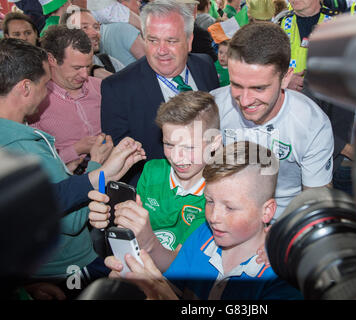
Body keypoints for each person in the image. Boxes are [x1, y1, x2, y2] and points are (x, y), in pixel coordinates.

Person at [0, 38, 146, 299]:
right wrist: (98, 162)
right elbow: (72, 220)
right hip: (70, 268)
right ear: (24, 87)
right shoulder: (25, 148)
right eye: (45, 85)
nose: (47, 93)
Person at [105, 141, 303, 300]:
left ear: (267, 211)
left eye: (230, 207)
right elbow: (175, 287)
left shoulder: (282, 279)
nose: (213, 217)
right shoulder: (203, 234)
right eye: (209, 201)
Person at [211, 22, 334, 220]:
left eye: (258, 88)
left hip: (284, 221)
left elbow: (317, 203)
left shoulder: (312, 124)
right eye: (236, 85)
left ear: (286, 78)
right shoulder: (213, 107)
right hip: (225, 216)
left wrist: (280, 237)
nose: (245, 100)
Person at [89, 91, 222, 272]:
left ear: (214, 143)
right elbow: (127, 238)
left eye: (189, 147)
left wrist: (148, 240)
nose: (176, 157)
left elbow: (180, 269)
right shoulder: (153, 170)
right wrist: (111, 218)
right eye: (169, 144)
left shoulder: (217, 196)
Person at [101, 0, 219, 186]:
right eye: (153, 40)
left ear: (189, 42)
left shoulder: (205, 66)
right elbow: (126, 165)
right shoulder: (118, 89)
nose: (161, 51)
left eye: (171, 41)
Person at [28, 25, 105, 174]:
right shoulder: (35, 103)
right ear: (52, 59)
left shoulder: (101, 87)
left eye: (87, 66)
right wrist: (76, 150)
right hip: (69, 183)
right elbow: (37, 165)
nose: (84, 75)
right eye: (77, 68)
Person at [275, 0, 340, 92]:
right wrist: (283, 80)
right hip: (287, 97)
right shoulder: (280, 22)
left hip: (324, 98)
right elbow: (269, 64)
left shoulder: (338, 22)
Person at [60, 7, 125, 78]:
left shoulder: (108, 62)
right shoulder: (59, 71)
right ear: (66, 35)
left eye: (96, 27)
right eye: (85, 27)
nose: (95, 33)